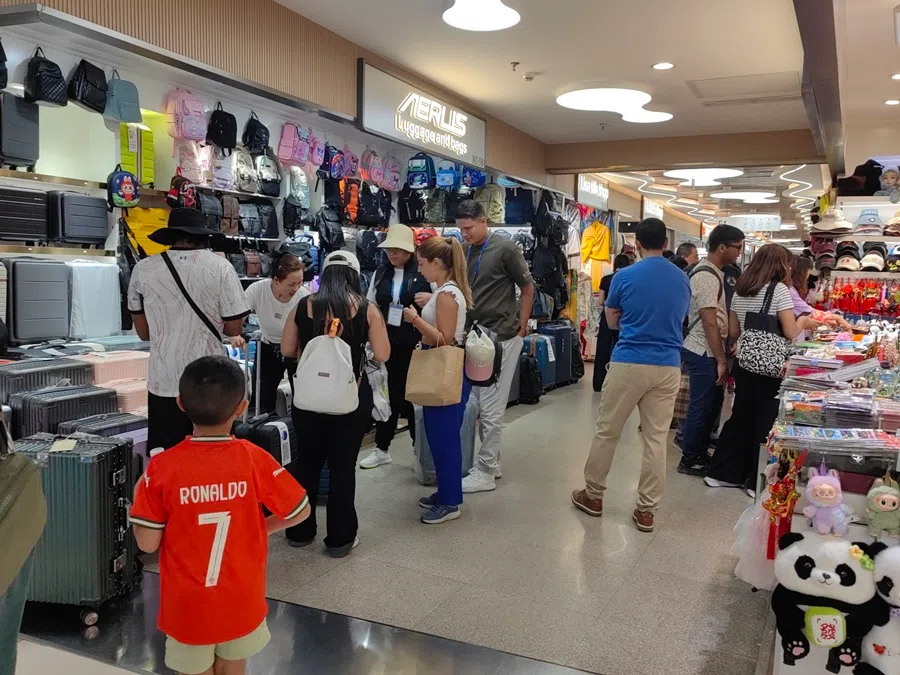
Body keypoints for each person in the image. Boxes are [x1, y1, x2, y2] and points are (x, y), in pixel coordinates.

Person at [129, 355, 311, 675]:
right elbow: (300, 510)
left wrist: (137, 498)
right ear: (241, 407)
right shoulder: (255, 459)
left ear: (180, 404)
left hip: (187, 607)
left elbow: (146, 543)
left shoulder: (161, 469)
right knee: (233, 666)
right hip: (241, 598)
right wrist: (261, 528)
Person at [571, 218, 690, 533]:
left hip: (629, 361)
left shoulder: (624, 276)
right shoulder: (683, 279)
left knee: (608, 431)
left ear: (636, 243)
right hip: (667, 365)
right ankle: (646, 511)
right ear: (665, 243)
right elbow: (682, 318)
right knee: (655, 439)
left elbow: (612, 322)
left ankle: (593, 496)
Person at [281, 251, 390, 556]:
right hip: (349, 399)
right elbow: (382, 354)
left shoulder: (303, 305)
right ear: (355, 276)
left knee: (307, 464)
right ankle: (340, 539)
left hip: (307, 400)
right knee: (343, 468)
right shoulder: (367, 309)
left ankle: (299, 532)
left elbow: (288, 349)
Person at [128, 209, 250, 452]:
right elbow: (233, 327)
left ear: (170, 235)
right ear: (202, 236)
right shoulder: (221, 268)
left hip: (164, 380)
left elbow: (144, 333)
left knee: (167, 457)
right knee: (212, 455)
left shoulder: (143, 269)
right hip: (209, 380)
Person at [704, 246, 822, 494]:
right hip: (772, 366)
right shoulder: (779, 290)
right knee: (766, 418)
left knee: (741, 415)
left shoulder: (741, 291)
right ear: (781, 265)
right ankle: (753, 479)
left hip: (746, 362)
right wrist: (804, 321)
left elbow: (735, 332)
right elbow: (790, 332)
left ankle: (723, 472)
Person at [454, 199, 534, 493]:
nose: (465, 234)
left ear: (484, 221)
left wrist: (522, 325)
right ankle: (493, 462)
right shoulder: (463, 249)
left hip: (502, 335)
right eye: (461, 229)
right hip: (476, 336)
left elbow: (527, 288)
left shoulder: (506, 248)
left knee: (491, 406)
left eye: (469, 228)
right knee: (481, 402)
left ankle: (486, 470)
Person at [402, 237, 473, 524]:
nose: (419, 270)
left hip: (446, 368)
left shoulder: (446, 295)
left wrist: (415, 320)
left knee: (444, 437)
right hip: (448, 368)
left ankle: (450, 501)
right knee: (439, 434)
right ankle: (446, 491)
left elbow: (445, 338)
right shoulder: (446, 291)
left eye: (422, 264)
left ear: (438, 263)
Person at [360, 225, 431, 469]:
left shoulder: (422, 272)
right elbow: (370, 303)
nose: (393, 254)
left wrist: (430, 299)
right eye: (390, 249)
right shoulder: (381, 272)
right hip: (386, 343)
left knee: (414, 398)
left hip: (416, 344)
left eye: (398, 250)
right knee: (385, 396)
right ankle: (382, 447)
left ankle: (419, 450)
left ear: (409, 251)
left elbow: (444, 297)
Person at [678, 224, 745, 476]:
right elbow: (708, 320)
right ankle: (689, 457)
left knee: (711, 403)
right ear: (722, 247)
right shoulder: (706, 275)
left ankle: (700, 449)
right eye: (737, 247)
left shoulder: (716, 272)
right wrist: (719, 358)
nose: (739, 252)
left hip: (708, 349)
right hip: (702, 350)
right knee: (701, 404)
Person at [231, 253, 309, 413]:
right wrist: (235, 333)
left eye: (300, 283)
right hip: (268, 347)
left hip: (297, 351)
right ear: (276, 281)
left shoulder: (304, 297)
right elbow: (239, 315)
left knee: (302, 398)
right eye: (291, 284)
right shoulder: (258, 289)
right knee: (261, 398)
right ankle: (263, 432)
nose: (296, 288)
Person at [592, 253, 632, 392]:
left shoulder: (606, 279)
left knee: (603, 348)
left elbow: (601, 301)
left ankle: (599, 382)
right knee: (622, 348)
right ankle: (621, 383)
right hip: (624, 317)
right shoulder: (629, 279)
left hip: (607, 316)